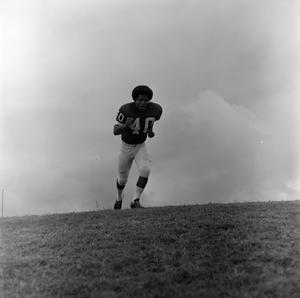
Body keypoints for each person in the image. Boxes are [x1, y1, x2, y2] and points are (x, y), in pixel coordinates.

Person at [113, 85, 163, 209]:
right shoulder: (126, 110)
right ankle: (119, 198)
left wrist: (150, 132)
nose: (143, 103)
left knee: (145, 170)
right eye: (140, 100)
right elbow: (115, 130)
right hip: (126, 147)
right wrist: (126, 125)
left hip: (140, 146)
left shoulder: (155, 110)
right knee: (122, 180)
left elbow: (148, 125)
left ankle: (135, 200)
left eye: (145, 100)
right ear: (135, 100)